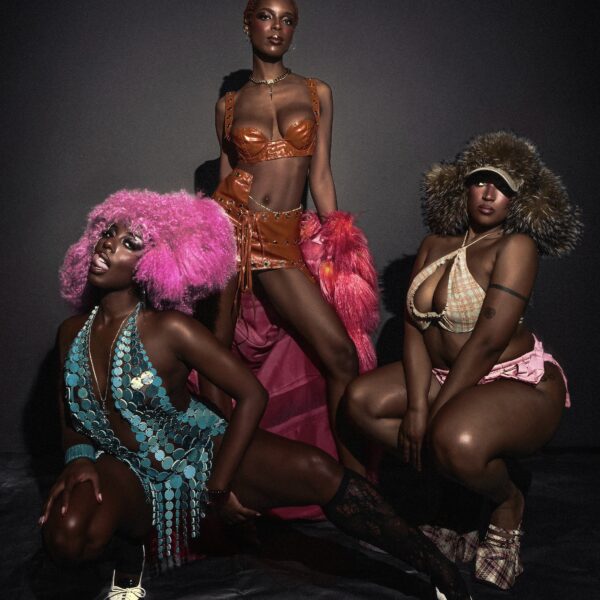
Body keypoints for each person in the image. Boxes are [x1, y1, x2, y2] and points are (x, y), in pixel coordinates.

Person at [39, 189, 471, 600]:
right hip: (125, 465)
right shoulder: (70, 333)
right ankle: (131, 552)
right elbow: (70, 417)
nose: (108, 245)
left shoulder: (170, 329)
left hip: (197, 454)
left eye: (129, 243)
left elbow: (252, 395)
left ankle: (438, 570)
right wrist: (78, 460)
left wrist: (219, 489)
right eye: (108, 234)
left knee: (319, 470)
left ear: (152, 264)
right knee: (68, 534)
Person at [343, 131, 582, 590]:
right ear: (462, 186)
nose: (489, 194)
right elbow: (414, 325)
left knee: (452, 439)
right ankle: (457, 495)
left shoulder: (516, 247)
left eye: (503, 186)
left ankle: (507, 502)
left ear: (519, 198)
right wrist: (418, 406)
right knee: (360, 402)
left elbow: (488, 342)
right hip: (446, 374)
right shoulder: (435, 243)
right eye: (481, 181)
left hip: (510, 378)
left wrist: (435, 410)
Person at [208, 0, 378, 477]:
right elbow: (226, 181)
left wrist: (338, 237)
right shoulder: (227, 106)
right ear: (247, 24)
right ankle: (230, 477)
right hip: (237, 237)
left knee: (340, 355)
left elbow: (319, 175)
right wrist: (213, 248)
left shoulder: (316, 91)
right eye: (265, 16)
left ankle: (352, 486)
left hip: (282, 241)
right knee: (217, 364)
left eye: (287, 19)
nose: (276, 27)